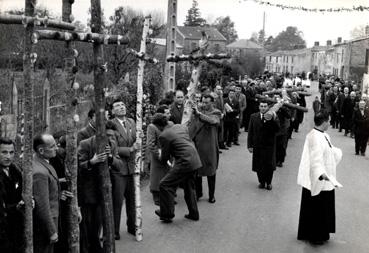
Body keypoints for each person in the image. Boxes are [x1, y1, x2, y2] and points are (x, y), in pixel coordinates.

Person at [297, 111, 342, 245]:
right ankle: (315, 236)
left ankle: (316, 232)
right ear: (324, 122)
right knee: (317, 208)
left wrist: (337, 153)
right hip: (318, 179)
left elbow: (329, 150)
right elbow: (315, 159)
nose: (329, 123)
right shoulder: (314, 137)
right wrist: (321, 174)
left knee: (320, 207)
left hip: (324, 176)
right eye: (329, 121)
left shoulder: (324, 135)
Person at [153, 115, 201, 223]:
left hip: (184, 162)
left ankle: (167, 214)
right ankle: (194, 213)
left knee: (164, 184)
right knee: (189, 187)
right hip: (195, 160)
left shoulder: (164, 135)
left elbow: (165, 157)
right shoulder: (180, 126)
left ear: (158, 126)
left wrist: (161, 156)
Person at [109, 99, 138, 239]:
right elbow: (113, 148)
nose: (121, 107)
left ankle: (132, 226)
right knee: (117, 201)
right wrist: (131, 149)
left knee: (132, 200)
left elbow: (135, 140)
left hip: (132, 168)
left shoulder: (132, 122)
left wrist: (139, 139)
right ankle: (114, 231)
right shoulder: (111, 125)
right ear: (113, 111)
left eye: (122, 105)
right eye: (117, 106)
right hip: (119, 169)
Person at [32, 133, 62, 253]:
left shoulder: (42, 163)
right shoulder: (39, 172)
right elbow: (42, 205)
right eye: (52, 146)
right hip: (46, 224)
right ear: (41, 150)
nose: (56, 148)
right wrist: (51, 230)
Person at [189, 94, 221, 203]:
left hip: (210, 148)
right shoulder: (197, 112)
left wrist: (200, 114)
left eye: (207, 102)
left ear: (212, 103)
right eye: (203, 102)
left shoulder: (216, 112)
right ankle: (198, 193)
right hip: (197, 146)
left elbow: (214, 121)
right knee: (197, 172)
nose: (204, 104)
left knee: (211, 172)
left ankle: (211, 195)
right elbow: (192, 127)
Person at [247, 101, 280, 190]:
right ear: (259, 107)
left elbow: (277, 129)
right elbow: (250, 132)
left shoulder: (272, 116)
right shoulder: (253, 117)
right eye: (261, 106)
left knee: (269, 165)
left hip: (269, 145)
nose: (263, 108)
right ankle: (261, 182)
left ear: (268, 107)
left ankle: (269, 183)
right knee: (259, 165)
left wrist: (274, 118)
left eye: (265, 106)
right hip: (258, 145)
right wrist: (250, 145)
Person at [0, 137, 23, 253]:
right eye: (4, 152)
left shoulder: (15, 170)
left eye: (11, 152)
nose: (8, 156)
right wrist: (15, 207)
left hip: (15, 228)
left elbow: (24, 190)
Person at [147, 107, 173, 205]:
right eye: (166, 113)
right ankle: (156, 196)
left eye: (169, 113)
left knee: (168, 175)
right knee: (156, 176)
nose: (168, 115)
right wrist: (159, 155)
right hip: (157, 155)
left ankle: (167, 196)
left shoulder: (170, 124)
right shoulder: (152, 127)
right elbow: (151, 144)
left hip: (168, 153)